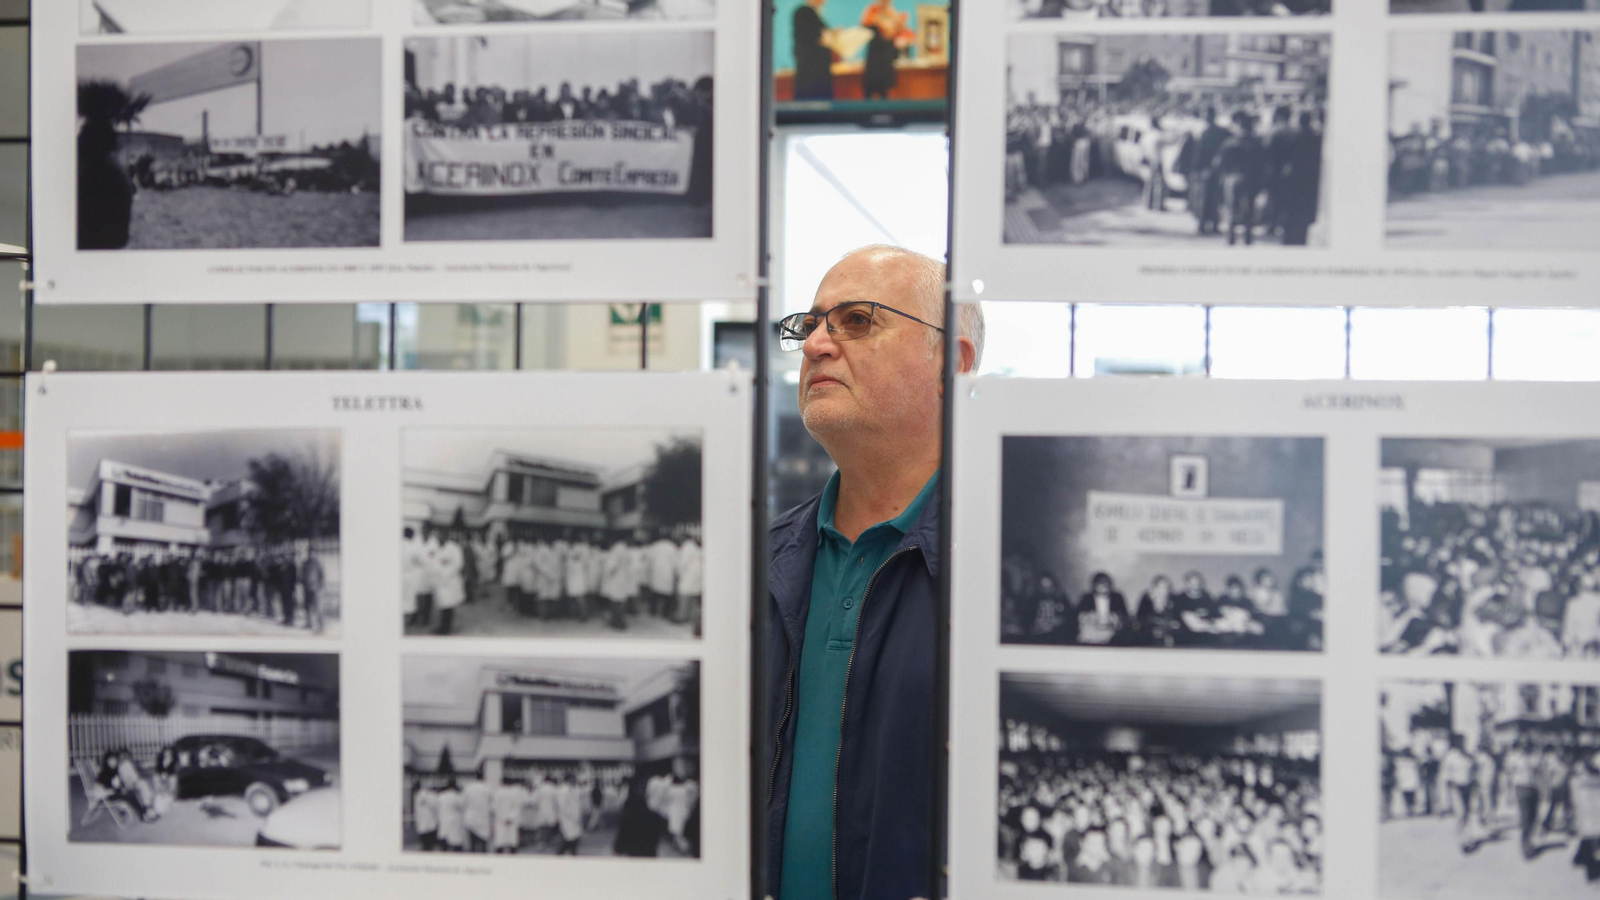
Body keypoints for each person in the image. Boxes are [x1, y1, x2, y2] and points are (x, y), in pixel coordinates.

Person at [766, 245, 982, 900]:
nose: (815, 347)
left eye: (856, 321)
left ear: (954, 363)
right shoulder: (757, 562)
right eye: (810, 325)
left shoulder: (1001, 572)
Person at [860, 0, 909, 101]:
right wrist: (879, 20)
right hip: (874, 58)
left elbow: (900, 32)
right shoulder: (872, 10)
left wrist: (897, 22)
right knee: (869, 90)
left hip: (886, 57)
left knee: (885, 91)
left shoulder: (892, 13)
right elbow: (864, 24)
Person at [792, 0, 835, 101]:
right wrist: (829, 37)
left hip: (818, 71)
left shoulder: (814, 14)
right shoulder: (804, 12)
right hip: (812, 72)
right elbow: (809, 37)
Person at [490, 777, 528, 854]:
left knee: (500, 841)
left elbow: (493, 807)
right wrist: (511, 817)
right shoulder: (514, 793)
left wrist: (502, 817)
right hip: (512, 821)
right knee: (512, 841)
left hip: (500, 820)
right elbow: (518, 807)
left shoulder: (497, 793)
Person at [556, 774, 585, 855]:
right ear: (568, 779)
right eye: (573, 779)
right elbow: (563, 806)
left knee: (574, 839)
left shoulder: (574, 789)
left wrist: (578, 815)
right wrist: (573, 816)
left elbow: (577, 803)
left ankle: (572, 855)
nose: (574, 780)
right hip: (567, 819)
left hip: (574, 819)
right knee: (569, 840)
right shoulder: (563, 790)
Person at [462, 777, 493, 853]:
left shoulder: (468, 788)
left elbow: (463, 803)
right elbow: (491, 805)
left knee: (472, 845)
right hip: (483, 820)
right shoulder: (487, 788)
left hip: (471, 819)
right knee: (483, 845)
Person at [437, 779, 466, 852]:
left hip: (443, 820)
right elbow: (462, 808)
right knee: (456, 844)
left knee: (444, 844)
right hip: (455, 821)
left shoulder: (441, 796)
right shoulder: (458, 796)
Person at [414, 781, 440, 851]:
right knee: (428, 845)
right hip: (429, 824)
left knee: (427, 845)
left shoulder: (421, 794)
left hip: (427, 824)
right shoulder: (428, 795)